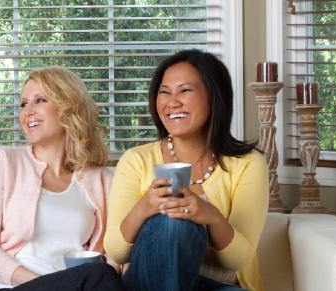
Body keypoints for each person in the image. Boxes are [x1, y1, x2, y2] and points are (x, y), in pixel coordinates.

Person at [104, 50, 269, 291]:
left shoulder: (248, 164)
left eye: (185, 90)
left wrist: (210, 216)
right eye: (164, 92)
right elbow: (117, 252)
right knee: (173, 221)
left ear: (214, 97)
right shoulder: (135, 160)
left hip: (213, 285)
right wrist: (145, 208)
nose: (172, 102)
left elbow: (237, 261)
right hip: (146, 282)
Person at [0, 66, 124, 291]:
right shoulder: (3, 161)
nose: (27, 111)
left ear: (69, 107)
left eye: (39, 100)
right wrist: (44, 285)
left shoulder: (100, 179)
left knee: (103, 273)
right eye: (23, 104)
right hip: (8, 285)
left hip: (75, 284)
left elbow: (112, 256)